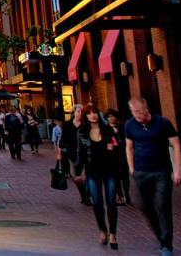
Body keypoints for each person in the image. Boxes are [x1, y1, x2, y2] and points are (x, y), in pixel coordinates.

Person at [124, 97, 181, 256]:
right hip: (141, 172)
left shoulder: (162, 123)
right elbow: (129, 147)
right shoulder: (130, 125)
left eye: (138, 111)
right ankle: (160, 235)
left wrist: (178, 169)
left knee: (163, 206)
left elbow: (176, 144)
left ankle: (166, 245)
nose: (135, 114)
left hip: (161, 171)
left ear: (146, 109)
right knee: (142, 205)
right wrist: (132, 169)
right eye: (132, 111)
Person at [77, 104, 122, 250]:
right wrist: (79, 171)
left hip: (110, 170)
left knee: (111, 202)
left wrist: (113, 147)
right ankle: (102, 229)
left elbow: (117, 148)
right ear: (85, 116)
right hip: (92, 171)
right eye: (89, 113)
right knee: (97, 203)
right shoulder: (82, 132)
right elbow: (81, 153)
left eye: (95, 112)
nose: (93, 115)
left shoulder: (108, 130)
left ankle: (113, 233)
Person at [54, 106, 90, 205]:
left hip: (86, 154)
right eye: (78, 111)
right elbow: (61, 141)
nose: (80, 113)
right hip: (72, 154)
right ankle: (83, 194)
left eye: (82, 112)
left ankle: (88, 195)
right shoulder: (67, 125)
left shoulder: (86, 125)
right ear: (74, 112)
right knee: (76, 177)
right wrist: (59, 154)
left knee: (86, 176)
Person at [104, 109, 131, 205]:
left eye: (113, 116)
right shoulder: (105, 129)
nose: (111, 118)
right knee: (115, 177)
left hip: (122, 154)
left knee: (125, 177)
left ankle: (127, 196)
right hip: (112, 157)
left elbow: (126, 140)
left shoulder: (122, 127)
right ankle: (120, 196)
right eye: (109, 117)